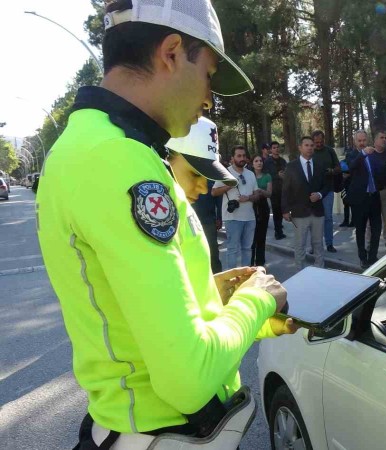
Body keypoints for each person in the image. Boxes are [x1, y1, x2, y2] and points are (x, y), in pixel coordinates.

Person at [35, 0, 296, 447]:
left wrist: (208, 294)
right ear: (172, 53)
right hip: (163, 434)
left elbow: (123, 304)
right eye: (209, 74)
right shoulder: (117, 159)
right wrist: (255, 303)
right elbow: (188, 378)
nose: (210, 98)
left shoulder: (100, 145)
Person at [166, 117, 225, 273]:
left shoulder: (183, 212)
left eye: (208, 178)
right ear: (164, 159)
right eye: (195, 174)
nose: (204, 189)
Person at [282, 136, 329, 269]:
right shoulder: (291, 166)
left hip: (317, 212)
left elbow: (327, 186)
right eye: (306, 145)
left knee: (318, 243)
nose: (310, 148)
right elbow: (285, 190)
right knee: (300, 245)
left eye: (311, 145)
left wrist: (319, 195)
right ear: (300, 148)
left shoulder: (320, 165)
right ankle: (299, 273)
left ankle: (320, 270)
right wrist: (285, 210)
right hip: (299, 212)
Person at [212, 145, 257, 270]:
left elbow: (257, 193)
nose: (242, 158)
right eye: (239, 156)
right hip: (232, 218)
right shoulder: (225, 173)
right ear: (232, 158)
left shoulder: (250, 174)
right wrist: (229, 185)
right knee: (232, 249)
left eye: (244, 156)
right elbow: (214, 192)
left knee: (247, 249)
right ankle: (232, 279)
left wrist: (248, 198)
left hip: (249, 217)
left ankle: (246, 277)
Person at [347, 130, 382, 269]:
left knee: (376, 229)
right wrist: (362, 154)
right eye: (359, 141)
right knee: (360, 230)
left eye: (364, 140)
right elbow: (351, 167)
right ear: (355, 142)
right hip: (359, 200)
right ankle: (363, 257)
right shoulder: (352, 155)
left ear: (367, 140)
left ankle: (373, 256)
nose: (362, 143)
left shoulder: (373, 154)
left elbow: (379, 171)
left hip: (374, 197)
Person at [311, 130, 341, 253]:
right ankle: (315, 245)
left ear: (324, 140)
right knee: (314, 220)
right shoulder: (309, 152)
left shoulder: (329, 151)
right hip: (312, 191)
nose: (318, 144)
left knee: (327, 217)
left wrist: (332, 171)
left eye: (321, 142)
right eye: (316, 142)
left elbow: (338, 167)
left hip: (328, 189)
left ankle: (329, 244)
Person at [250, 155, 272, 266]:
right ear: (252, 163)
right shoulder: (249, 176)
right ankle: (249, 263)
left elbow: (269, 193)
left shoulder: (267, 176)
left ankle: (260, 263)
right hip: (251, 208)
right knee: (251, 238)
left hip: (263, 208)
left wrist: (260, 191)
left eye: (260, 161)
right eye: (256, 161)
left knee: (261, 237)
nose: (259, 163)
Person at [264, 141, 288, 240]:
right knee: (276, 211)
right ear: (271, 149)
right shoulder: (268, 162)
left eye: (277, 147)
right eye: (274, 147)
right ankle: (278, 232)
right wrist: (277, 176)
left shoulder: (283, 161)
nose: (276, 149)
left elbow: (288, 172)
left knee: (283, 210)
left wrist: (285, 175)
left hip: (283, 189)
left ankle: (280, 229)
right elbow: (266, 174)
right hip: (274, 190)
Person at [339, 142, 360, 228]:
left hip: (352, 184)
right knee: (346, 203)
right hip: (345, 185)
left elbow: (355, 170)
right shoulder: (343, 162)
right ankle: (346, 220)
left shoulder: (355, 158)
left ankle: (353, 221)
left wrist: (349, 175)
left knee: (352, 203)